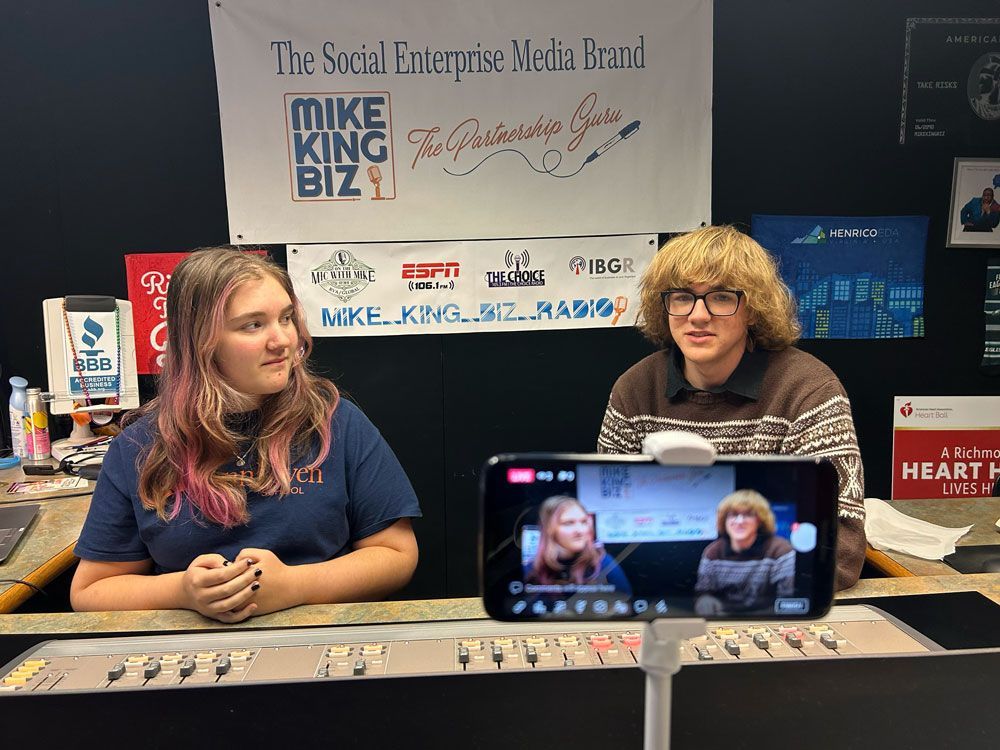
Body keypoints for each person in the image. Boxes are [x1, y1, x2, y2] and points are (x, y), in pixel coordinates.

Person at [70, 248, 421, 622]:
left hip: (318, 639)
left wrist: (297, 585)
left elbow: (396, 555)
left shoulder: (336, 423)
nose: (283, 340)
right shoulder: (140, 447)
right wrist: (183, 592)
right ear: (201, 342)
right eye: (253, 325)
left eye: (286, 318)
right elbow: (91, 590)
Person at [597, 226, 865, 589]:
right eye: (681, 297)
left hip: (766, 610)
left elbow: (839, 551)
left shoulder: (808, 390)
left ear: (753, 309)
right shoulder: (634, 390)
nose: (698, 315)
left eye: (721, 298)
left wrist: (711, 576)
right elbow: (608, 530)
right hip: (659, 605)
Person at [694, 490, 794, 615]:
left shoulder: (781, 551)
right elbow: (703, 593)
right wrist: (705, 601)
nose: (740, 521)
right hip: (722, 622)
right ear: (724, 521)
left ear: (760, 520)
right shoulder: (713, 552)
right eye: (733, 515)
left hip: (767, 623)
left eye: (747, 515)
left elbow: (788, 602)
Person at [524, 495, 631, 594]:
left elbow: (627, 605)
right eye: (568, 523)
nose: (580, 530)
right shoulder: (532, 569)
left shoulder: (602, 561)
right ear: (549, 529)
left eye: (584, 522)